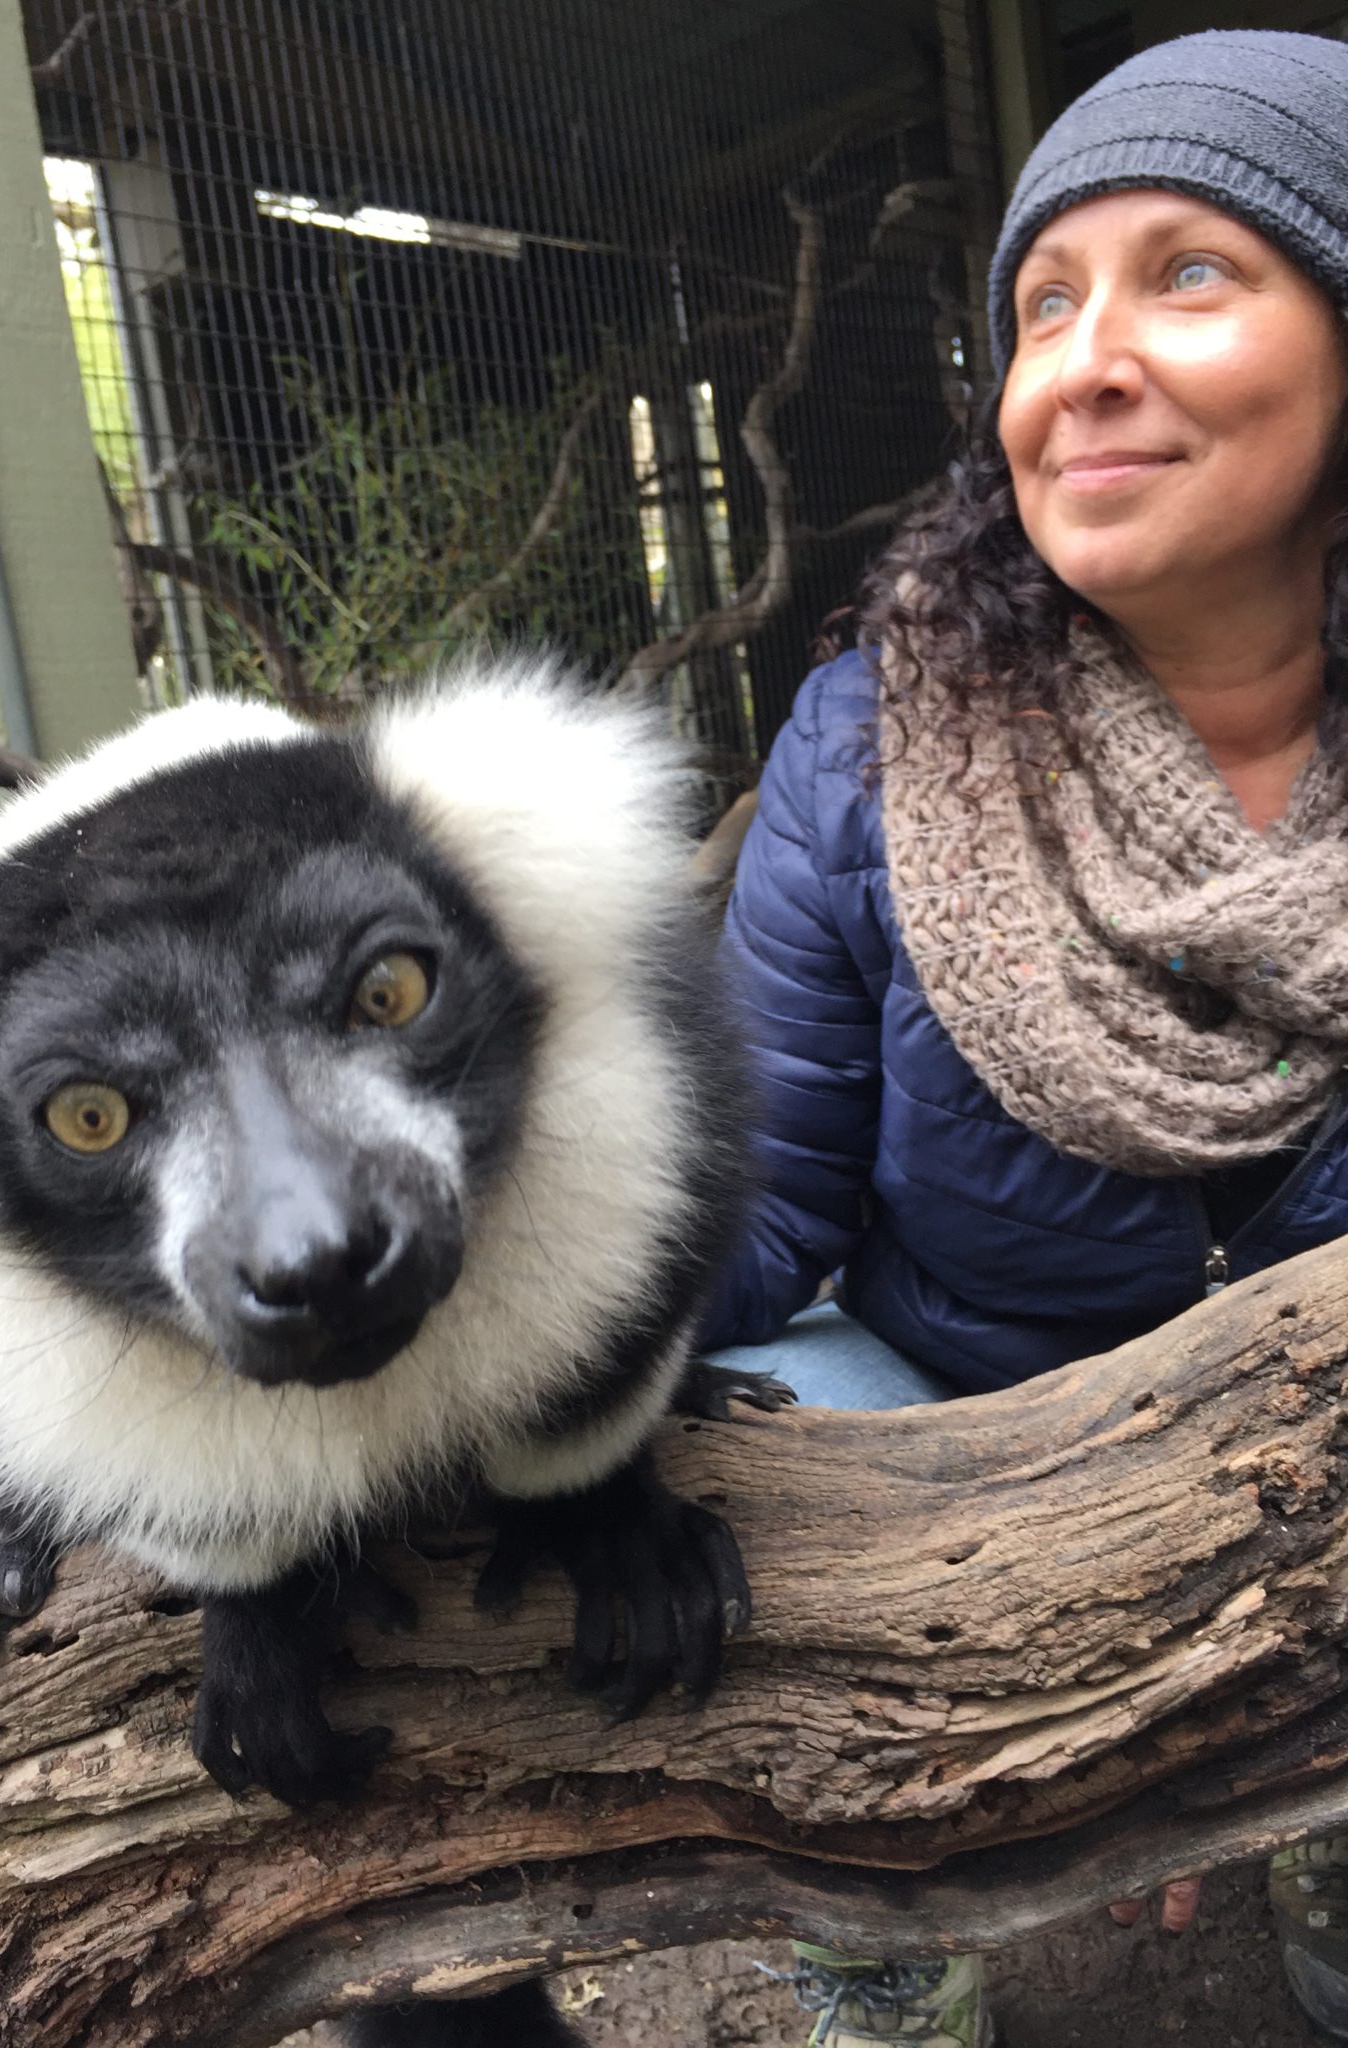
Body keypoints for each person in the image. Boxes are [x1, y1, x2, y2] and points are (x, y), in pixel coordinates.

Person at [699, 27, 1348, 2047]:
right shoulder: (876, 751)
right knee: (761, 1422)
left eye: (1189, 275)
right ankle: (884, 1939)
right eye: (1044, 303)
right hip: (959, 1428)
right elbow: (753, 1213)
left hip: (1323, 1455)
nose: (1084, 358)